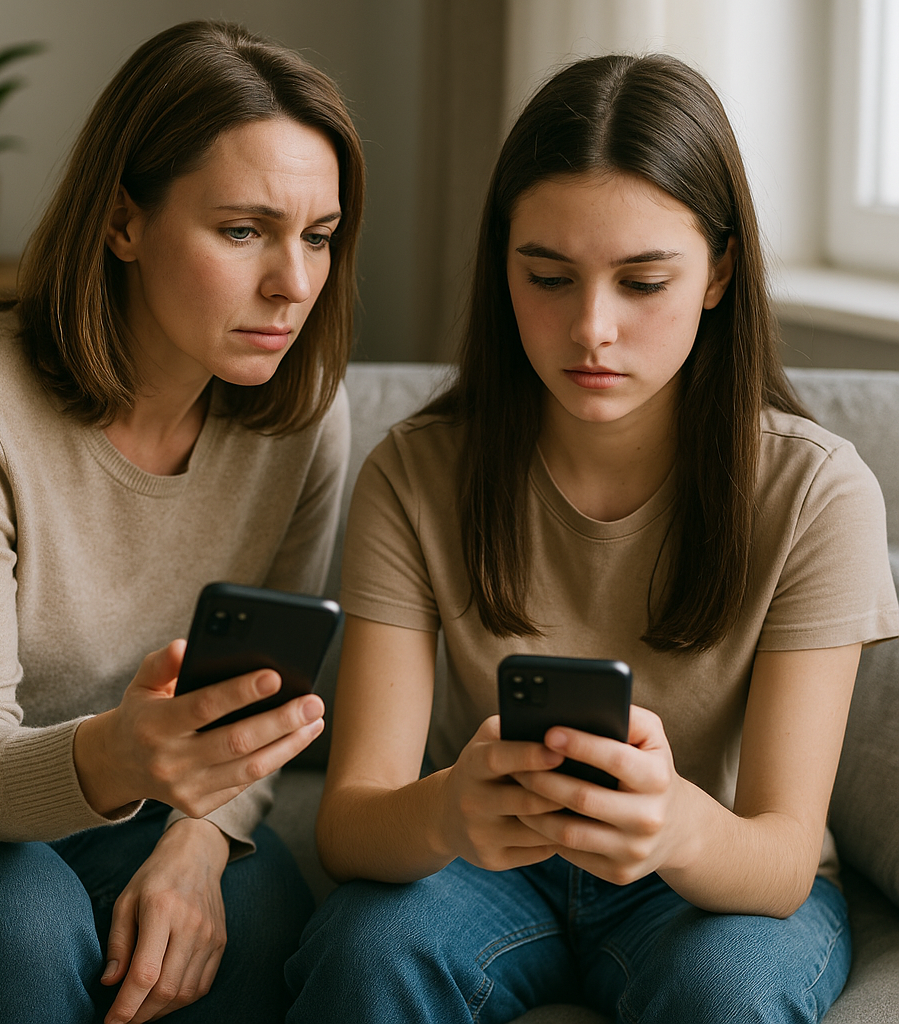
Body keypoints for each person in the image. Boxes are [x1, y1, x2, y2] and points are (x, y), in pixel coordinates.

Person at [285, 53, 899, 1024]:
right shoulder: (416, 473)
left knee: (726, 992)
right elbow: (353, 822)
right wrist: (450, 807)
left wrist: (673, 823)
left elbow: (780, 861)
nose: (591, 330)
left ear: (719, 272)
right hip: (485, 865)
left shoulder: (814, 492)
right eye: (548, 277)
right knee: (367, 953)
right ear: (503, 266)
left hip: (709, 877)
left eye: (643, 280)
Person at [0, 20, 363, 1024]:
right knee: (21, 922)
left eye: (317, 236)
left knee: (259, 916)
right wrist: (120, 756)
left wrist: (195, 840)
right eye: (243, 230)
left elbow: (258, 712)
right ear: (122, 221)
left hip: (131, 798)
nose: (294, 282)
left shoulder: (300, 417)